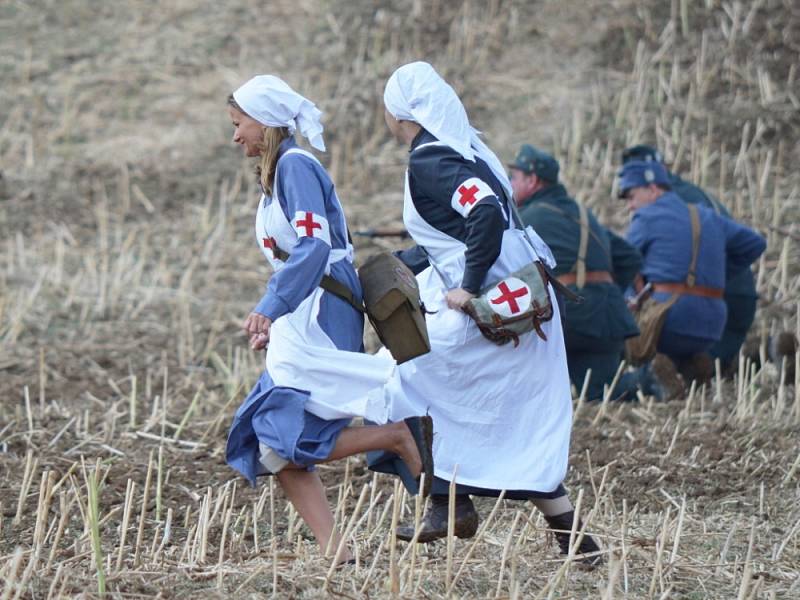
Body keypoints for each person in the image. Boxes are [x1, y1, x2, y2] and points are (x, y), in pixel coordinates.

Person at [369, 62, 601, 564]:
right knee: (511, 424)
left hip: (490, 305)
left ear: (399, 110)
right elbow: (456, 234)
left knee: (403, 377)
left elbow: (485, 216)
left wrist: (468, 288)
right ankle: (575, 542)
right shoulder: (467, 150)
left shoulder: (432, 158)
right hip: (521, 304)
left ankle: (446, 504)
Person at [223, 75, 434, 563]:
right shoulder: (278, 175)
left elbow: (315, 248)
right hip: (299, 315)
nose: (236, 137)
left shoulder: (296, 168)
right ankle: (335, 550)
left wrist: (271, 308)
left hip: (319, 313)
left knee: (278, 431)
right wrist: (273, 319)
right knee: (269, 445)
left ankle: (395, 435)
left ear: (267, 122)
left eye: (240, 124)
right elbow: (294, 257)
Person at [620, 145, 790, 378]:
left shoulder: (647, 215)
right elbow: (756, 243)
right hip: (720, 309)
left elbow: (623, 262)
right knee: (717, 363)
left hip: (675, 312)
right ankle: (762, 351)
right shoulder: (701, 205)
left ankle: (650, 379)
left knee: (619, 334)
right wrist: (718, 272)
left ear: (652, 188)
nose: (629, 205)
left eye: (630, 196)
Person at [509, 144, 642, 401]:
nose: (510, 183)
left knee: (532, 394)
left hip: (566, 318)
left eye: (514, 177)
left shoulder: (524, 217)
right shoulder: (583, 215)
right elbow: (629, 257)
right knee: (605, 397)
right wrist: (607, 291)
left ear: (532, 180)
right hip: (606, 316)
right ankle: (643, 383)